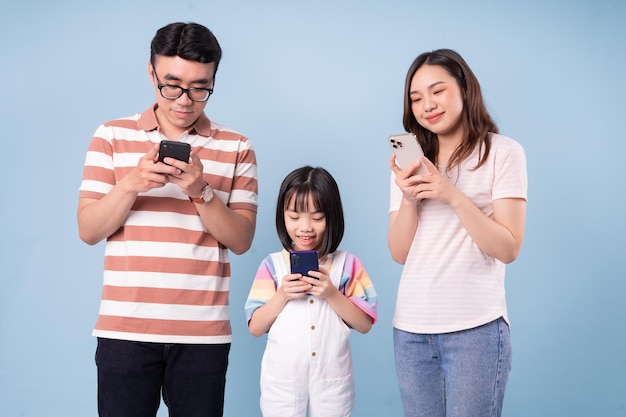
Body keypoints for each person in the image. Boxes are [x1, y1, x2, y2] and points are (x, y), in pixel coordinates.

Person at [77, 22, 258, 417]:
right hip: (124, 330)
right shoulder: (110, 136)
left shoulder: (238, 146)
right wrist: (130, 185)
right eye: (171, 84)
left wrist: (201, 191)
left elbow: (242, 240)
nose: (184, 100)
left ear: (213, 79)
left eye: (200, 87)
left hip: (202, 334)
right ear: (151, 72)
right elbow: (88, 230)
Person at [388, 49, 527, 417]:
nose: (427, 105)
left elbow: (509, 247)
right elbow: (400, 253)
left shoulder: (503, 153)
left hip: (475, 331)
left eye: (438, 91)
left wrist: (451, 195)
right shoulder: (410, 163)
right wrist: (408, 198)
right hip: (411, 332)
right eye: (416, 98)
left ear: (465, 89)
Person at [245, 166, 377, 417]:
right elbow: (255, 327)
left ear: (332, 217)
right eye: (294, 217)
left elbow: (364, 324)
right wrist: (282, 294)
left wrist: (331, 294)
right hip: (282, 382)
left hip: (332, 380)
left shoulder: (347, 264)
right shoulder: (272, 266)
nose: (305, 228)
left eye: (317, 218)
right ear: (282, 216)